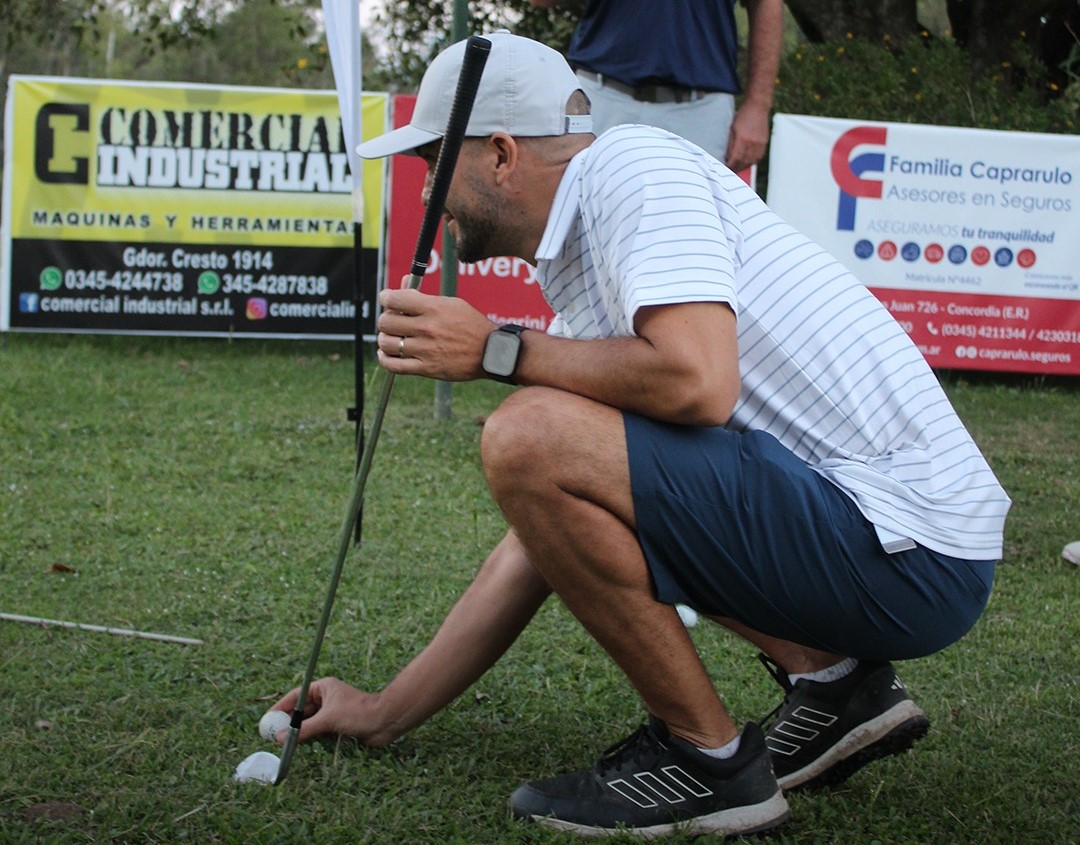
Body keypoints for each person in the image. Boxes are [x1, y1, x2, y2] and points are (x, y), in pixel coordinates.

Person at [269, 32, 1010, 838]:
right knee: (540, 442)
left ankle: (712, 762)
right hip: (894, 545)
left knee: (527, 432)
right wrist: (385, 711)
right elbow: (544, 538)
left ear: (502, 154)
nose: (427, 196)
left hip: (911, 550)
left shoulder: (630, 170)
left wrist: (494, 350)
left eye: (433, 164)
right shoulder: (584, 254)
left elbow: (697, 379)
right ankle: (836, 683)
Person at [527, 0, 782, 172]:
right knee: (581, 236)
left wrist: (758, 106)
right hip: (601, 98)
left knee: (692, 239)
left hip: (700, 111)